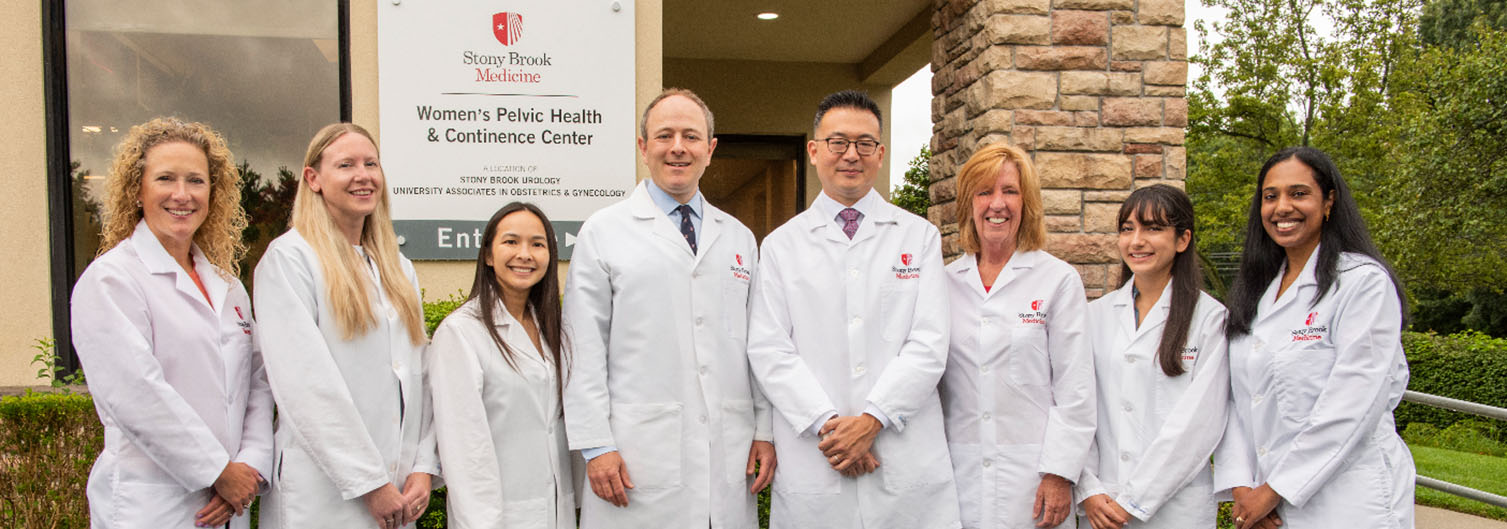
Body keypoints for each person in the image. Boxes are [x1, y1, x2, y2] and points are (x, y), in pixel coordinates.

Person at [562, 88, 775, 529]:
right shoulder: (603, 231)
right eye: (664, 136)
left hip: (727, 452)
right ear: (643, 147)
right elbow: (581, 346)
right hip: (635, 457)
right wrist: (596, 445)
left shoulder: (738, 238)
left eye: (691, 136)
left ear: (710, 150)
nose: (678, 147)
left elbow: (758, 346)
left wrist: (764, 429)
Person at [747, 89, 959, 529]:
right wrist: (834, 429)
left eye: (864, 144)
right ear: (813, 151)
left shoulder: (918, 238)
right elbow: (770, 350)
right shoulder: (781, 246)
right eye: (837, 142)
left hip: (903, 459)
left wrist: (872, 420)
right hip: (818, 455)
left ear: (880, 154)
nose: (851, 155)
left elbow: (929, 343)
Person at [71, 117, 272, 529]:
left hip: (230, 499)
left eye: (196, 181)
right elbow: (136, 394)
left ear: (213, 194)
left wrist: (249, 467)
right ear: (138, 190)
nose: (182, 195)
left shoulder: (228, 287)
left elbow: (257, 384)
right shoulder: (112, 279)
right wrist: (217, 471)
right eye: (165, 178)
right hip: (152, 502)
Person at [1215, 147, 1414, 529]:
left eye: (1299, 193)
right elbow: (1236, 402)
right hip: (1265, 502)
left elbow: (1351, 406)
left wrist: (1273, 491)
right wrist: (1243, 489)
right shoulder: (1256, 292)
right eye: (1270, 196)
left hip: (1348, 500)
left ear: (1329, 202)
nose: (1282, 207)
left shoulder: (1362, 283)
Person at [253, 123, 438, 529]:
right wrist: (370, 483)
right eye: (346, 164)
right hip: (325, 496)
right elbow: (305, 385)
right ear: (313, 178)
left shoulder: (397, 269)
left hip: (399, 489)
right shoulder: (290, 261)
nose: (363, 175)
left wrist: (423, 466)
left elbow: (420, 375)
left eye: (371, 163)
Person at [939, 142, 1095, 529]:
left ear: (1027, 202)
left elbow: (1075, 391)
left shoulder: (1057, 279)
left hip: (1035, 478)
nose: (997, 204)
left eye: (1010, 191)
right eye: (984, 192)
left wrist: (1059, 474)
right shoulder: (943, 282)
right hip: (958, 474)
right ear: (968, 204)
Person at [1076, 184, 1229, 529]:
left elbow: (1198, 425)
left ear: (1183, 239)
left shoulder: (1209, 319)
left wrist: (1135, 499)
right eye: (1128, 229)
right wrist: (1088, 487)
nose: (1136, 241)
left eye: (1153, 228)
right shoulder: (1094, 316)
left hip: (1176, 509)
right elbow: (1076, 405)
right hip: (1103, 504)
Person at [428, 202, 574, 528]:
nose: (525, 254)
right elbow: (464, 447)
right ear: (488, 256)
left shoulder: (554, 330)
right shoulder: (461, 332)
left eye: (537, 244)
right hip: (496, 516)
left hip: (553, 512)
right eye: (511, 241)